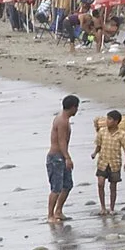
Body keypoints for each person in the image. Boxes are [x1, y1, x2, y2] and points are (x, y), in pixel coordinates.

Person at [47, 94, 78, 225]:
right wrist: (68, 158)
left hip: (61, 156)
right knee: (56, 188)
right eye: (76, 107)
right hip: (56, 157)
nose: (77, 110)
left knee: (67, 185)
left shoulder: (64, 119)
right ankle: (50, 215)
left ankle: (58, 211)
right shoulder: (62, 121)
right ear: (72, 108)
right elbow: (61, 142)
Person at [92, 109, 125, 215]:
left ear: (116, 121)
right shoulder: (102, 131)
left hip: (115, 163)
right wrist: (94, 153)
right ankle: (103, 207)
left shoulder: (121, 134)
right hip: (102, 162)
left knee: (113, 186)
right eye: (107, 118)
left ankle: (112, 208)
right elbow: (99, 145)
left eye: (110, 119)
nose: (107, 121)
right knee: (100, 183)